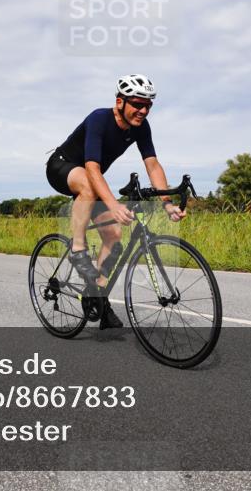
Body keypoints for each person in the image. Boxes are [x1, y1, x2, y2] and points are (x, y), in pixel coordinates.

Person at [46, 74, 186, 329]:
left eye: (148, 106)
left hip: (89, 178)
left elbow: (152, 165)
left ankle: (98, 298)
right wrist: (113, 204)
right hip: (62, 167)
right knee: (89, 184)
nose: (143, 111)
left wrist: (167, 203)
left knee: (114, 236)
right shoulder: (99, 119)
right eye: (138, 104)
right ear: (120, 102)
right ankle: (77, 248)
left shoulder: (141, 127)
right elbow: (92, 168)